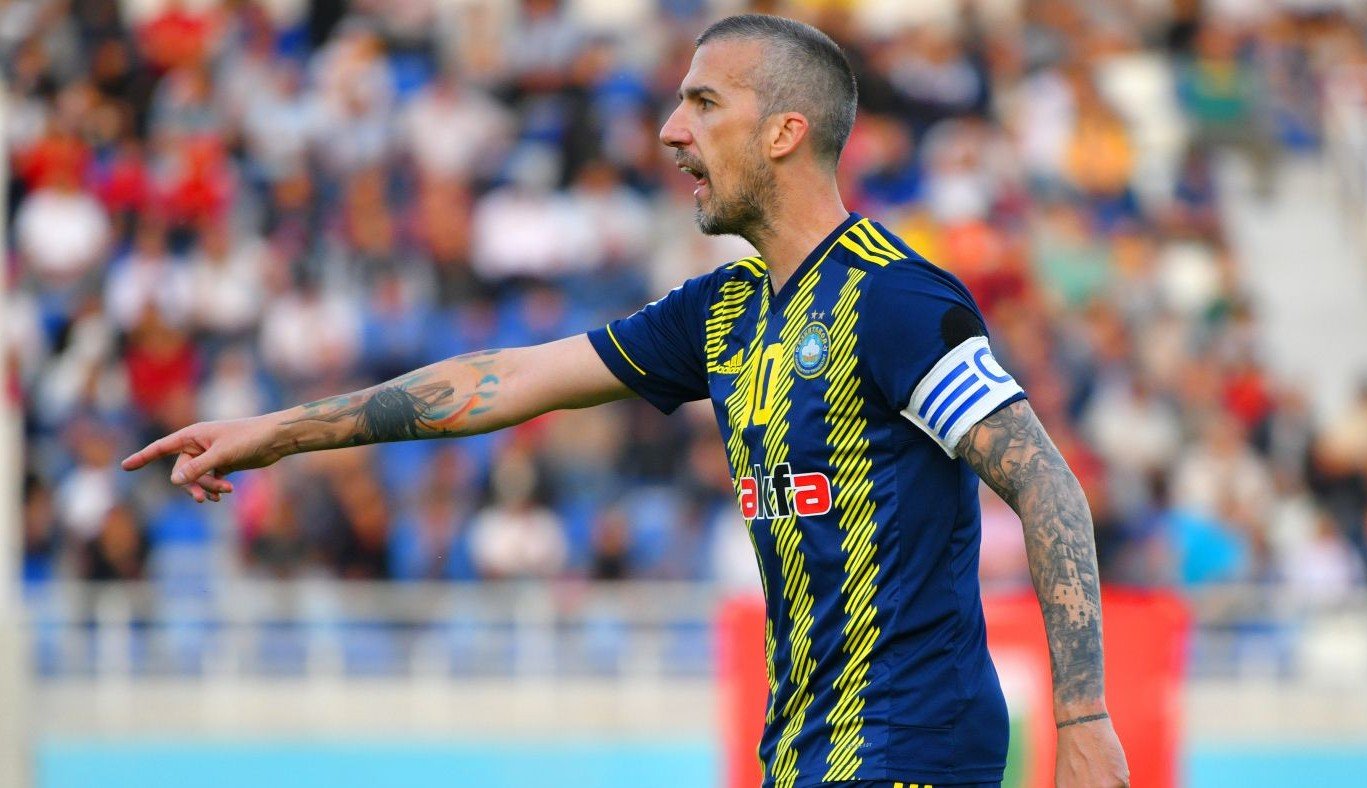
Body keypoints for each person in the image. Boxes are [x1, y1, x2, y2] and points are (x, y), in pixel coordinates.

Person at [122, 14, 1128, 788]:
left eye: (703, 104)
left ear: (785, 132)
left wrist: (1081, 720)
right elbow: (507, 379)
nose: (669, 130)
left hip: (911, 752)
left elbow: (1045, 485)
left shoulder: (896, 300)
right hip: (800, 754)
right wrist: (277, 433)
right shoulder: (722, 312)